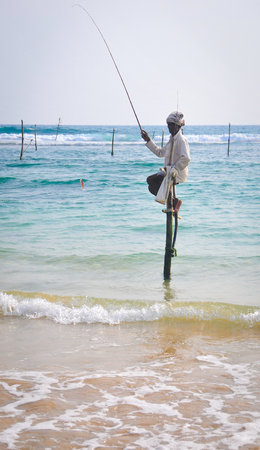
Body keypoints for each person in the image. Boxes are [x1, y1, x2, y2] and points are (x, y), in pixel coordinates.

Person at [141, 111, 190, 210]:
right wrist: (148, 140)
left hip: (176, 173)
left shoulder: (181, 140)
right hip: (168, 171)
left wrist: (174, 170)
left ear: (178, 126)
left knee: (150, 180)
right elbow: (160, 153)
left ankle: (173, 201)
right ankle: (173, 201)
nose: (169, 128)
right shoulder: (171, 140)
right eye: (168, 125)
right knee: (151, 187)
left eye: (172, 125)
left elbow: (186, 159)